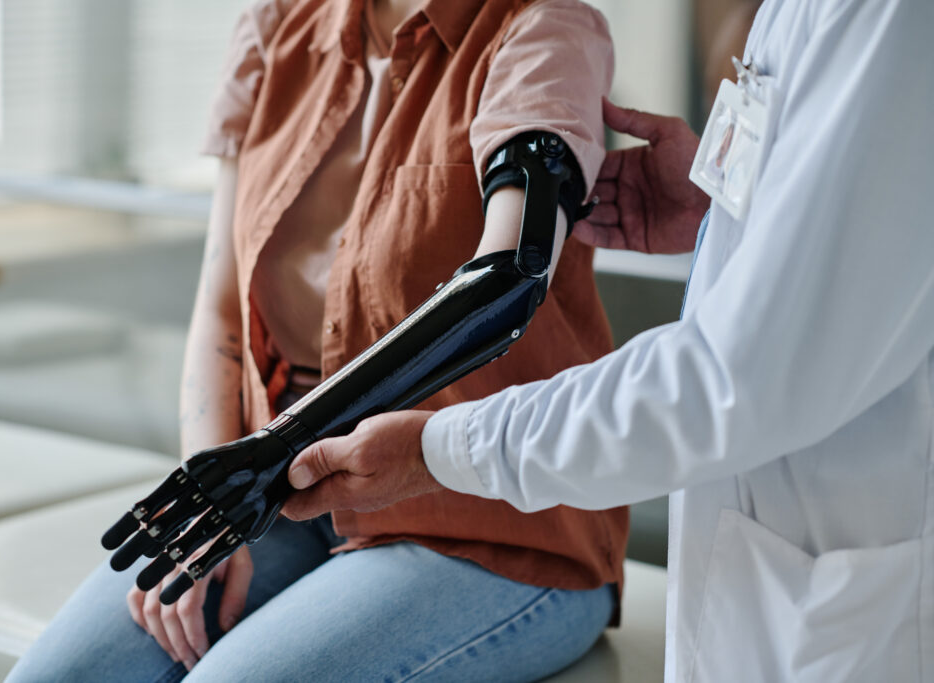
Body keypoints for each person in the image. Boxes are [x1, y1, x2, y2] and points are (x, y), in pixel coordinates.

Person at [281, 0, 934, 680]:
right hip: (767, 569)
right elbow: (853, 228)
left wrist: (439, 447)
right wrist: (724, 213)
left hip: (852, 609)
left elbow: (737, 376)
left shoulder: (888, 15)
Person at [8, 1, 630, 681]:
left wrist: (274, 450)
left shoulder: (543, 32)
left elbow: (510, 275)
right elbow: (222, 301)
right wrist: (209, 516)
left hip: (489, 519)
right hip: (282, 492)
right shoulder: (277, 26)